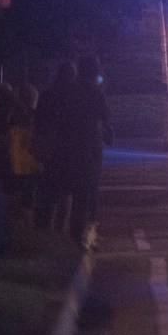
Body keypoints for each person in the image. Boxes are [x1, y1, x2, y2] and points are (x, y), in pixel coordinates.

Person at [65, 55, 114, 249]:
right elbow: (106, 114)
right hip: (91, 146)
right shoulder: (95, 92)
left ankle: (75, 233)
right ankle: (87, 233)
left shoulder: (70, 92)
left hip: (72, 145)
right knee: (91, 188)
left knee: (77, 189)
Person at [32, 62, 77, 233]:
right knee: (66, 191)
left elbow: (38, 122)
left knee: (51, 190)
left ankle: (49, 229)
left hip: (50, 148)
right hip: (68, 149)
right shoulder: (74, 98)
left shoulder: (46, 95)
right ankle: (61, 229)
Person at [8, 83, 42, 216]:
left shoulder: (13, 115)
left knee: (20, 192)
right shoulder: (34, 116)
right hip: (31, 161)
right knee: (30, 193)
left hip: (17, 162)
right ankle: (28, 218)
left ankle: (19, 217)